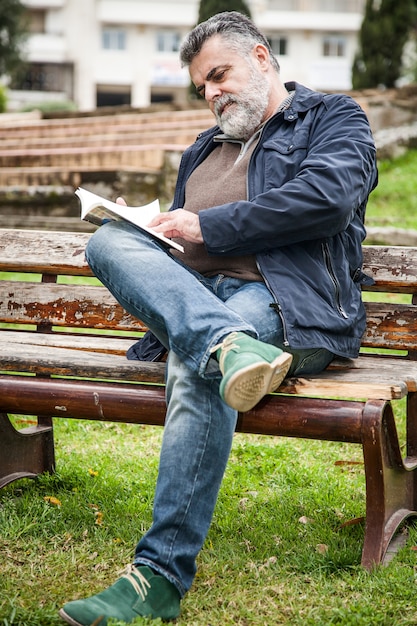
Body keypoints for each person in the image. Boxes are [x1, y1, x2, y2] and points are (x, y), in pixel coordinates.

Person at [59, 10, 377, 625]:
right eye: (203, 86)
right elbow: (179, 240)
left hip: (287, 305)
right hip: (203, 300)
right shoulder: (202, 149)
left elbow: (328, 200)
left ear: (261, 57)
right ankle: (228, 345)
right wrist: (146, 226)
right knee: (106, 243)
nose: (212, 94)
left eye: (219, 74)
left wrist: (204, 225)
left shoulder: (334, 119)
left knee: (194, 360)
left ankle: (158, 575)